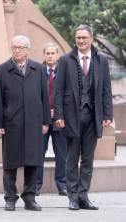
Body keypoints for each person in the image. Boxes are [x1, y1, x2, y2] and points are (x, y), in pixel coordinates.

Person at [54, 25, 113, 210]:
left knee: (88, 159)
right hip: (71, 116)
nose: (81, 41)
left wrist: (107, 114)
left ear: (91, 39)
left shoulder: (101, 60)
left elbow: (106, 89)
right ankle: (72, 197)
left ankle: (83, 196)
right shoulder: (65, 60)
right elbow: (58, 91)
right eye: (78, 37)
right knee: (71, 158)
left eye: (84, 38)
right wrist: (59, 115)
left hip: (93, 116)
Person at [0, 35, 51, 211]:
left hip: (34, 122)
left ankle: (30, 197)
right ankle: (10, 198)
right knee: (10, 162)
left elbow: (45, 96)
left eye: (20, 47)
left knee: (33, 161)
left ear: (27, 50)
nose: (17, 50)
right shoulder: (3, 70)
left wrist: (45, 121)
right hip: (12, 123)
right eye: (14, 47)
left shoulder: (39, 69)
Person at [36, 43, 67, 196]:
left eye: (52, 53)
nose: (50, 56)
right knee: (38, 153)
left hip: (60, 119)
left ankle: (62, 185)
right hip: (42, 119)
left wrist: (61, 112)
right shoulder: (37, 71)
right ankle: (36, 185)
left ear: (57, 55)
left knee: (61, 153)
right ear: (44, 55)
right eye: (47, 53)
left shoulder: (64, 72)